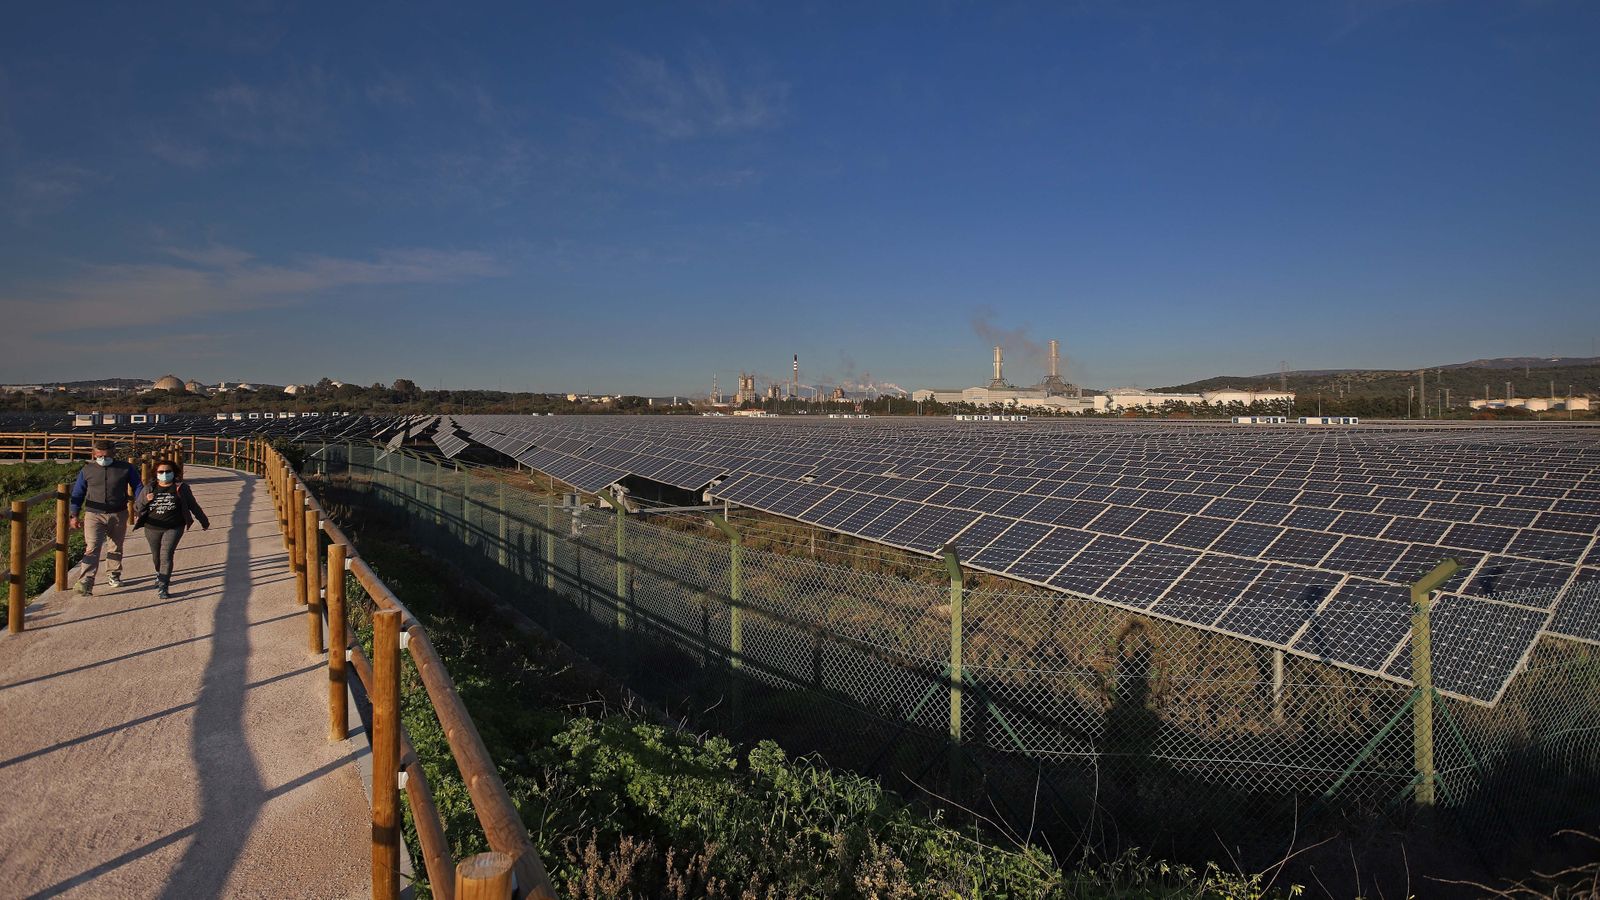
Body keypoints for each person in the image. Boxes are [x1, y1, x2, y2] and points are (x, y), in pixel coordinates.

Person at [68, 439, 142, 596]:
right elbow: (78, 493)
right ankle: (86, 581)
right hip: (93, 514)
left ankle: (114, 574)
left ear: (113, 453)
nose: (103, 458)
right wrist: (73, 514)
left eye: (106, 455)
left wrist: (140, 506)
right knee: (92, 547)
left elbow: (138, 487)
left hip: (118, 513)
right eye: (99, 456)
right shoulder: (87, 470)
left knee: (115, 546)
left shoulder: (126, 468)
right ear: (94, 454)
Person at [133, 459, 209, 599]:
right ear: (156, 474)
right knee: (156, 557)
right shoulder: (149, 488)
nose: (165, 474)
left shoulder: (181, 487)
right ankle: (159, 573)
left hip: (174, 527)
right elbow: (137, 507)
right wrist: (146, 500)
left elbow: (193, 505)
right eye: (161, 472)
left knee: (166, 555)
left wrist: (204, 521)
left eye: (168, 471)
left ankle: (163, 586)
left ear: (174, 473)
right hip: (152, 527)